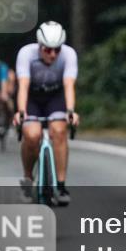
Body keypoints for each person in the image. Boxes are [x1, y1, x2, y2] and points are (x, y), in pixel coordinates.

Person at [13, 22, 80, 205]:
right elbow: (23, 86)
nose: (52, 54)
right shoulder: (26, 53)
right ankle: (27, 179)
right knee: (32, 135)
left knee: (59, 131)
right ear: (39, 46)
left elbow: (68, 86)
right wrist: (21, 112)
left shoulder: (68, 55)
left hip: (55, 96)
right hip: (32, 97)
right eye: (47, 50)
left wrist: (71, 111)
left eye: (56, 50)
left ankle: (61, 184)